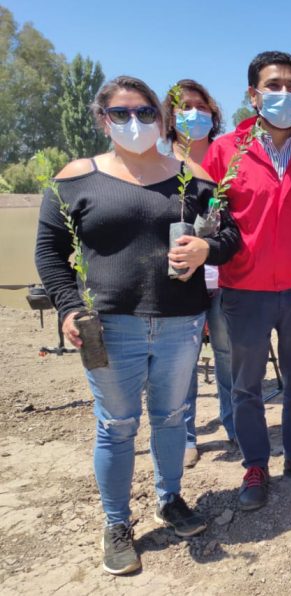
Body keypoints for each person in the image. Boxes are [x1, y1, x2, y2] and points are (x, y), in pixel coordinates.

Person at [35, 75, 241, 575]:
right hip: (106, 326)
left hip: (180, 322)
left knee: (171, 418)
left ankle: (170, 499)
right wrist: (66, 306)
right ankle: (116, 522)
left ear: (160, 118)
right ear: (103, 120)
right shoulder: (77, 176)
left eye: (146, 113)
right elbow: (49, 252)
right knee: (117, 425)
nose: (135, 123)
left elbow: (230, 236)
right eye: (121, 114)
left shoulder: (191, 176)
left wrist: (207, 248)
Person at [202, 51, 291, 512]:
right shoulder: (225, 151)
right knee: (246, 387)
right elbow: (211, 227)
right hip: (244, 290)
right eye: (274, 84)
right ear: (253, 93)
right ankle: (255, 464)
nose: (285, 93)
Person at [161, 78, 234, 467]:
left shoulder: (227, 156)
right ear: (169, 117)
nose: (193, 113)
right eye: (184, 107)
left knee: (228, 355)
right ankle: (186, 436)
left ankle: (234, 424)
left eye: (200, 106)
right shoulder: (156, 158)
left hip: (223, 275)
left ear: (213, 113)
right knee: (183, 361)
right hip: (178, 279)